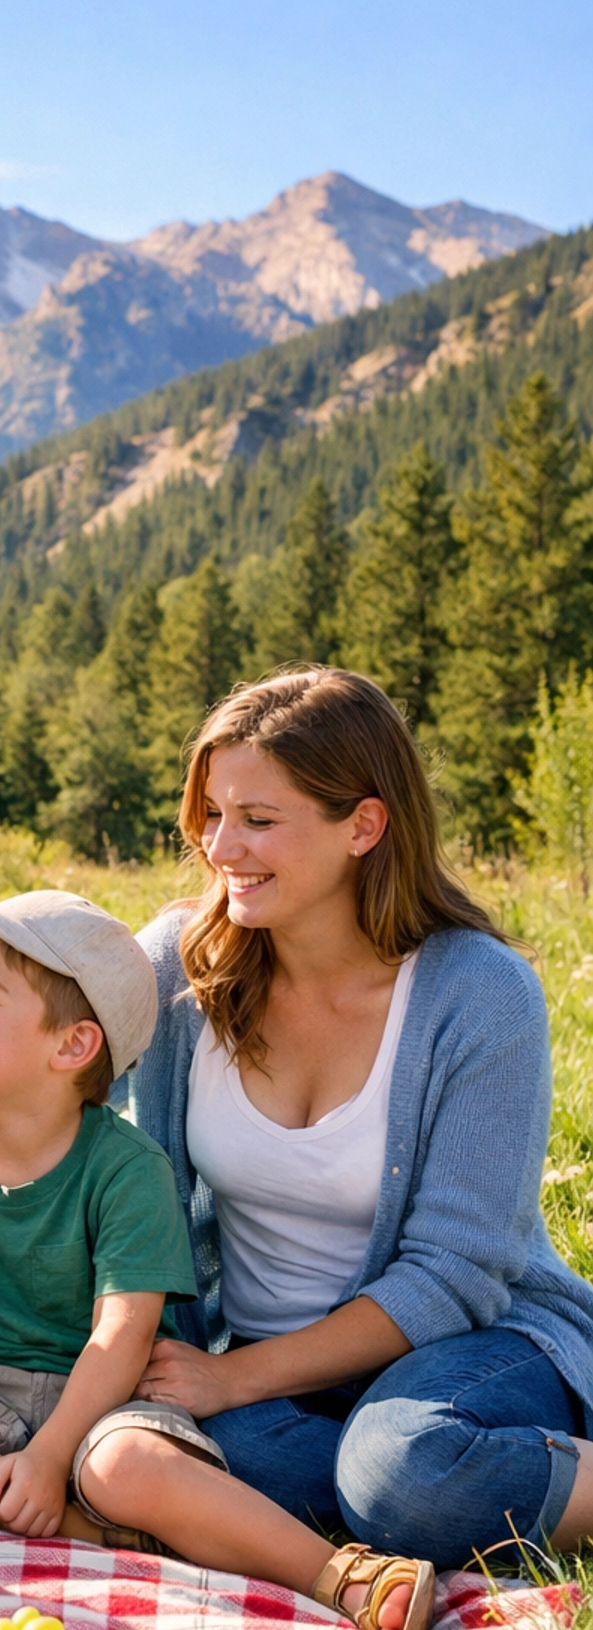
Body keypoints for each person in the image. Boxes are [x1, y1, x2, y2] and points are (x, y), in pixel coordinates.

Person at [0, 887, 434, 1630]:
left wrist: (53, 1454)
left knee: (123, 1468)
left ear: (72, 1047)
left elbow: (121, 1334)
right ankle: (107, 1538)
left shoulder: (126, 1167)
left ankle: (338, 1575)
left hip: (107, 1399)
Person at [123, 666, 593, 1576]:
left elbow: (458, 1274)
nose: (222, 847)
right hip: (260, 1366)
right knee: (161, 1453)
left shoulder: (479, 995)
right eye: (213, 814)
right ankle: (408, 1497)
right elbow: (58, 1097)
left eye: (259, 820)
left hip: (467, 1348)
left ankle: (461, 1476)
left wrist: (231, 1379)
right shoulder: (178, 971)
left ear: (363, 827)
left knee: (401, 1479)